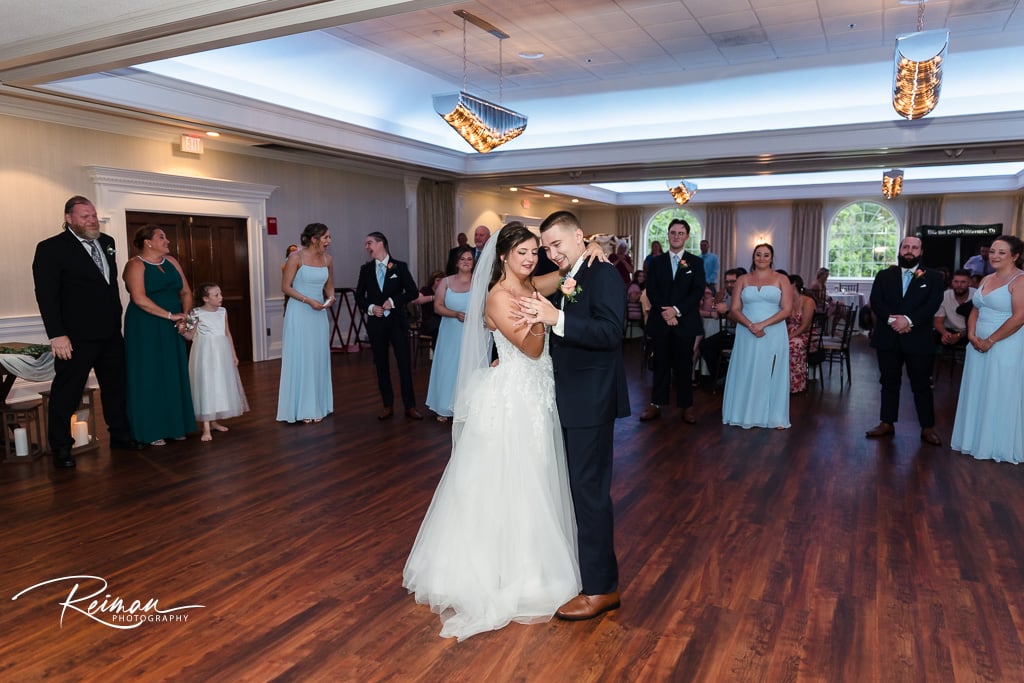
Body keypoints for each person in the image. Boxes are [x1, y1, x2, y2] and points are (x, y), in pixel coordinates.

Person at [403, 223, 580, 641]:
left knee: (538, 476)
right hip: (514, 400)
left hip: (537, 395)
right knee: (514, 480)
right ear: (502, 256)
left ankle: (532, 562)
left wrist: (583, 255)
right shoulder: (499, 296)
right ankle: (507, 572)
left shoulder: (530, 285)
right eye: (522, 253)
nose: (531, 259)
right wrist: (543, 314)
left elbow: (559, 278)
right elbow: (532, 348)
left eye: (534, 252)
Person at [521, 210, 630, 622]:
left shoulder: (603, 273)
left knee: (590, 494)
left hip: (591, 401)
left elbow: (611, 332)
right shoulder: (577, 272)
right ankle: (589, 577)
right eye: (546, 247)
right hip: (572, 397)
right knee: (579, 492)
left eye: (557, 244)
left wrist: (557, 318)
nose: (551, 253)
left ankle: (602, 589)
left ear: (579, 236)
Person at [31, 195, 145, 468]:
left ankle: (120, 436)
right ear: (68, 218)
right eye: (85, 216)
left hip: (110, 333)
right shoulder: (50, 248)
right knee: (67, 393)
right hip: (74, 337)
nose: (92, 220)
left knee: (116, 388)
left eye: (93, 215)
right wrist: (57, 334)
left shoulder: (107, 242)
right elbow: (46, 295)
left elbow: (107, 286)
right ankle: (61, 447)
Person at [865, 235, 945, 445]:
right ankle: (886, 422)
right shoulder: (884, 275)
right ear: (899, 250)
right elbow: (876, 301)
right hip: (888, 337)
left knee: (922, 384)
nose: (910, 251)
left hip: (918, 339)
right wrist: (894, 321)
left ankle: (927, 427)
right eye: (906, 247)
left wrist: (908, 320)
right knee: (888, 382)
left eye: (914, 247)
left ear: (921, 252)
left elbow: (932, 304)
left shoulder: (933, 277)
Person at [952, 235, 1024, 463]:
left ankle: (997, 444)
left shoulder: (1020, 281)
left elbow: (1019, 317)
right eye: (992, 251)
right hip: (977, 343)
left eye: (1002, 252)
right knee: (978, 389)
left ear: (1015, 256)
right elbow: (976, 308)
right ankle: (974, 440)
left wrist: (990, 340)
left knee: (999, 390)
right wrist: (972, 335)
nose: (994, 256)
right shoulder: (986, 278)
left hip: (1006, 343)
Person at [123, 225, 197, 445]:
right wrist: (170, 316)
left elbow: (186, 292)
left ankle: (176, 425)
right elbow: (139, 298)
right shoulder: (135, 265)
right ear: (148, 242)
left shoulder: (172, 262)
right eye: (161, 237)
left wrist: (185, 318)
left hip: (174, 323)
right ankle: (152, 429)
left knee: (173, 370)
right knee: (151, 373)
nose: (167, 241)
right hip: (146, 325)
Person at [639, 218, 705, 424]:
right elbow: (652, 289)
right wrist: (666, 313)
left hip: (685, 322)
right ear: (668, 235)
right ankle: (656, 404)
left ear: (687, 237)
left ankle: (687, 406)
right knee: (660, 364)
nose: (676, 236)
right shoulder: (656, 262)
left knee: (684, 366)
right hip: (661, 321)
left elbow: (697, 291)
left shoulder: (695, 262)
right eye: (673, 232)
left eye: (680, 233)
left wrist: (676, 311)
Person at [722, 244, 792, 429]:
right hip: (746, 331)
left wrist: (762, 324)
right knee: (746, 369)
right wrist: (750, 325)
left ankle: (774, 416)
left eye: (766, 255)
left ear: (772, 258)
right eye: (758, 254)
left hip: (773, 331)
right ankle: (743, 414)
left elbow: (787, 310)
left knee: (771, 371)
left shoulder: (781, 279)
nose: (761, 258)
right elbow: (734, 309)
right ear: (753, 257)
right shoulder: (742, 279)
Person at [355, 231, 423, 420]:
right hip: (376, 325)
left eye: (369, 243)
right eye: (366, 244)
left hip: (397, 323)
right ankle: (387, 405)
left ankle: (410, 406)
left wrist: (393, 302)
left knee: (404, 364)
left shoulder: (399, 267)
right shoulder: (365, 269)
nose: (367, 247)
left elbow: (412, 292)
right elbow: (359, 296)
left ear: (381, 244)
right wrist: (370, 308)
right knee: (381, 365)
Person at [277, 223, 334, 424]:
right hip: (300, 311)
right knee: (302, 356)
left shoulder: (328, 259)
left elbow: (329, 285)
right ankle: (301, 407)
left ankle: (319, 404)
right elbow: (285, 287)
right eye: (326, 237)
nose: (329, 241)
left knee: (317, 357)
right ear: (314, 239)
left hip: (319, 314)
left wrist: (331, 297)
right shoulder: (296, 258)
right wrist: (308, 300)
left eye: (329, 237)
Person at [186, 282, 249, 441]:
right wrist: (182, 330)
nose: (221, 297)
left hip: (221, 353)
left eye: (220, 294)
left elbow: (227, 333)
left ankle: (214, 422)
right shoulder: (195, 313)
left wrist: (233, 354)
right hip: (205, 353)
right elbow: (190, 335)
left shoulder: (223, 311)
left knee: (219, 384)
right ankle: (206, 427)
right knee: (206, 385)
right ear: (205, 298)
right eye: (216, 295)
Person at [425, 248, 474, 422]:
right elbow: (437, 307)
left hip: (471, 332)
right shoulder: (446, 282)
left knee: (469, 367)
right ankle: (444, 407)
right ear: (456, 262)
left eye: (469, 259)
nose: (466, 261)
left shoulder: (479, 281)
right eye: (463, 259)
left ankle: (466, 407)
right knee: (448, 367)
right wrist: (455, 314)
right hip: (450, 331)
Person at [699, 268, 744, 384]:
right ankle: (722, 375)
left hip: (741, 336)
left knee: (709, 346)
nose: (729, 285)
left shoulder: (744, 297)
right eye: (726, 282)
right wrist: (719, 296)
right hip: (729, 333)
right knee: (704, 345)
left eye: (732, 282)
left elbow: (740, 321)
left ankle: (725, 376)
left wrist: (726, 312)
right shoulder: (727, 294)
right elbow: (715, 306)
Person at [786, 274, 817, 394]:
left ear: (793, 285)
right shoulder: (787, 301)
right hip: (790, 332)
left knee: (792, 345)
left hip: (806, 334)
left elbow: (805, 326)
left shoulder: (808, 301)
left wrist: (790, 336)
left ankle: (796, 385)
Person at [933, 269, 976, 348]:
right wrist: (945, 334)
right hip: (950, 330)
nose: (959, 285)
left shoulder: (977, 295)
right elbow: (938, 321)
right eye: (956, 282)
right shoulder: (945, 295)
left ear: (969, 283)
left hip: (972, 331)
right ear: (951, 282)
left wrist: (959, 335)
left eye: (963, 282)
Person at [281, 244, 299, 314]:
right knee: (288, 313)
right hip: (290, 293)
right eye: (292, 251)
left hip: (301, 292)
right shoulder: (285, 265)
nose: (294, 253)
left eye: (295, 251)